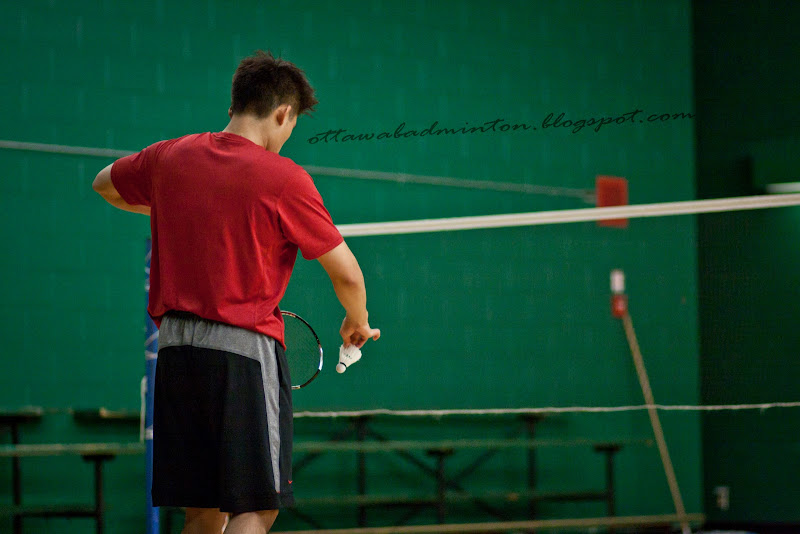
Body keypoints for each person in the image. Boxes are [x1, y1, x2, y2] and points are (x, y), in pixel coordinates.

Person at [92, 51, 380, 534]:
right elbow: (348, 273)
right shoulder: (284, 178)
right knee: (256, 506)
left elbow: (104, 184)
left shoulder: (170, 156)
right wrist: (357, 320)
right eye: (292, 126)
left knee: (202, 508)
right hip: (243, 354)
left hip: (177, 353)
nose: (288, 138)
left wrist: (171, 210)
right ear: (283, 113)